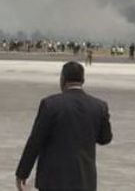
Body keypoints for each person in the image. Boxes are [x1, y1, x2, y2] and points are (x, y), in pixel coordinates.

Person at [16, 61, 112, 191]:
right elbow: (105, 139)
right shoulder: (99, 106)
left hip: (53, 180)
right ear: (83, 80)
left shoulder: (50, 104)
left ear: (63, 79)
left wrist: (22, 173)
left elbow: (35, 142)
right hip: (85, 180)